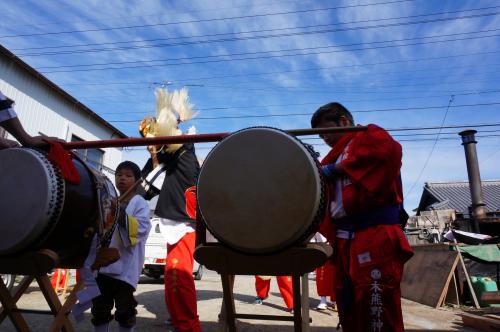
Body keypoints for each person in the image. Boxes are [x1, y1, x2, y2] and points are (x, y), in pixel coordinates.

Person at [311, 102, 413, 332]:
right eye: (319, 134)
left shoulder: (370, 135)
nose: (323, 137)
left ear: (344, 122)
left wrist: (338, 170)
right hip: (345, 239)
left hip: (374, 233)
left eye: (326, 130)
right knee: (349, 301)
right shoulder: (330, 158)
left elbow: (390, 152)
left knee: (377, 300)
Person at [140, 88, 201, 332]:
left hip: (182, 221)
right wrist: (153, 151)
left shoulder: (184, 147)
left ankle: (188, 325)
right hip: (173, 219)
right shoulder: (168, 152)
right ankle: (179, 319)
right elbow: (147, 190)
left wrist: (164, 132)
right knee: (173, 275)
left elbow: (172, 141)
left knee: (179, 276)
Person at [91, 161, 151, 332]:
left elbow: (141, 229)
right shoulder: (110, 200)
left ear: (137, 180)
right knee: (100, 307)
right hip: (103, 265)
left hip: (126, 266)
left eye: (128, 175)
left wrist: (120, 213)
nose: (122, 178)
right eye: (119, 175)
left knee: (125, 309)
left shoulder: (140, 203)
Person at [311, 233, 336, 311]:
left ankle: (335, 300)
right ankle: (323, 300)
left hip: (334, 247)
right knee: (321, 277)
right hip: (321, 248)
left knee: (334, 276)